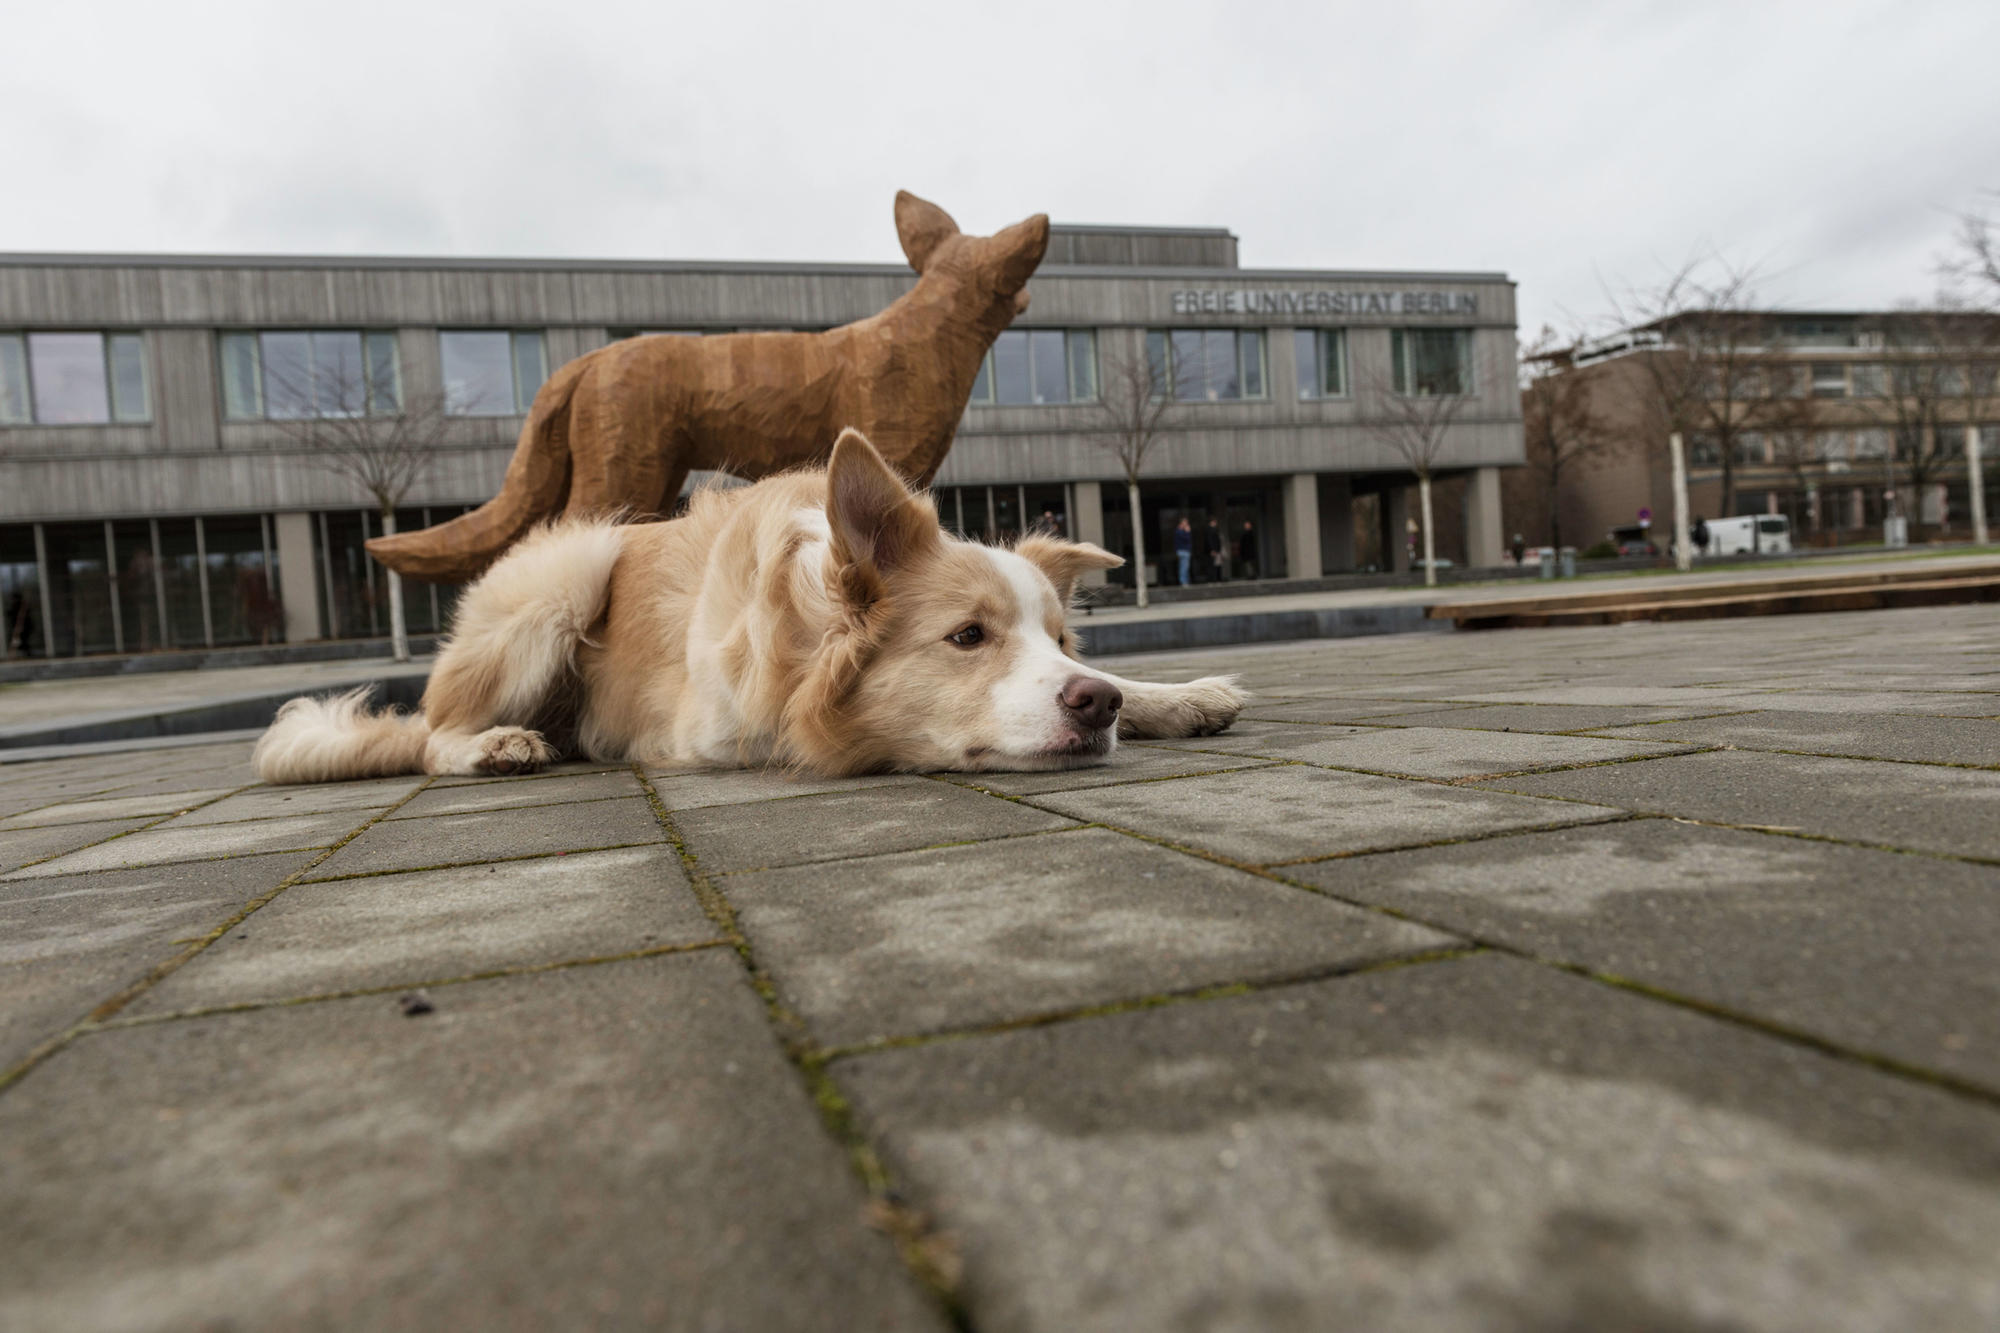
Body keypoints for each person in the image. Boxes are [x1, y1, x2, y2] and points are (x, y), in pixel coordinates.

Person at [6, 588, 37, 657]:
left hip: (24, 627)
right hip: (19, 627)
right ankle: (23, 653)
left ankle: (27, 653)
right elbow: (11, 614)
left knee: (22, 641)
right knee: (18, 640)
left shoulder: (22, 605)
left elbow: (22, 615)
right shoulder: (16, 606)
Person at [1173, 517, 1194, 586]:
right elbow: (1187, 539)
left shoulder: (1180, 531)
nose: (1187, 524)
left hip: (1184, 551)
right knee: (1184, 567)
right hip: (1183, 551)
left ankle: (1186, 581)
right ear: (1182, 523)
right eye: (1185, 523)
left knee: (1185, 567)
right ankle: (1183, 581)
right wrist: (1188, 532)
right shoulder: (1179, 531)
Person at [1204, 517, 1225, 582]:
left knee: (1216, 564)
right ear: (1212, 522)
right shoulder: (1210, 530)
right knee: (1212, 565)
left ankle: (1216, 578)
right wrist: (1212, 549)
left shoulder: (1214, 529)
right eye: (1215, 522)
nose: (1216, 524)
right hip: (1213, 550)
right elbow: (1210, 540)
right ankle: (1213, 579)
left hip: (1216, 550)